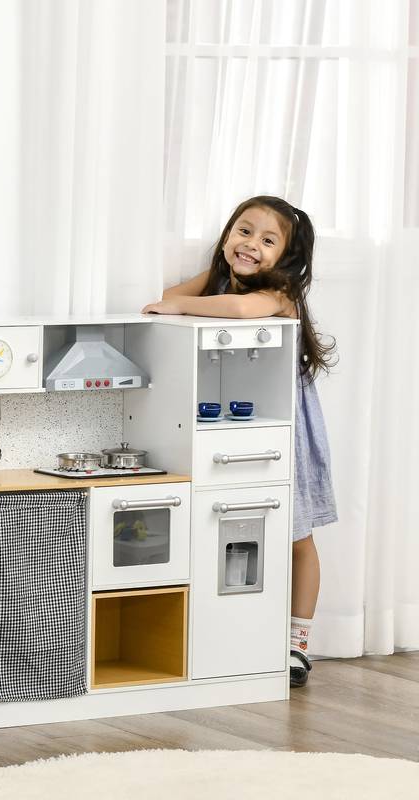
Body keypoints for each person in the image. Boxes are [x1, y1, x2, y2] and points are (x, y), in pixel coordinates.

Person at [142, 195, 337, 688]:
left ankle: (297, 643)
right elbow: (161, 293)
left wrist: (182, 304)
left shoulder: (280, 291)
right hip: (238, 417)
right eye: (243, 231)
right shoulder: (217, 278)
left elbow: (244, 310)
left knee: (298, 535)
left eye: (267, 241)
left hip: (288, 423)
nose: (251, 245)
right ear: (228, 234)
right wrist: (176, 297)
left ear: (286, 258)